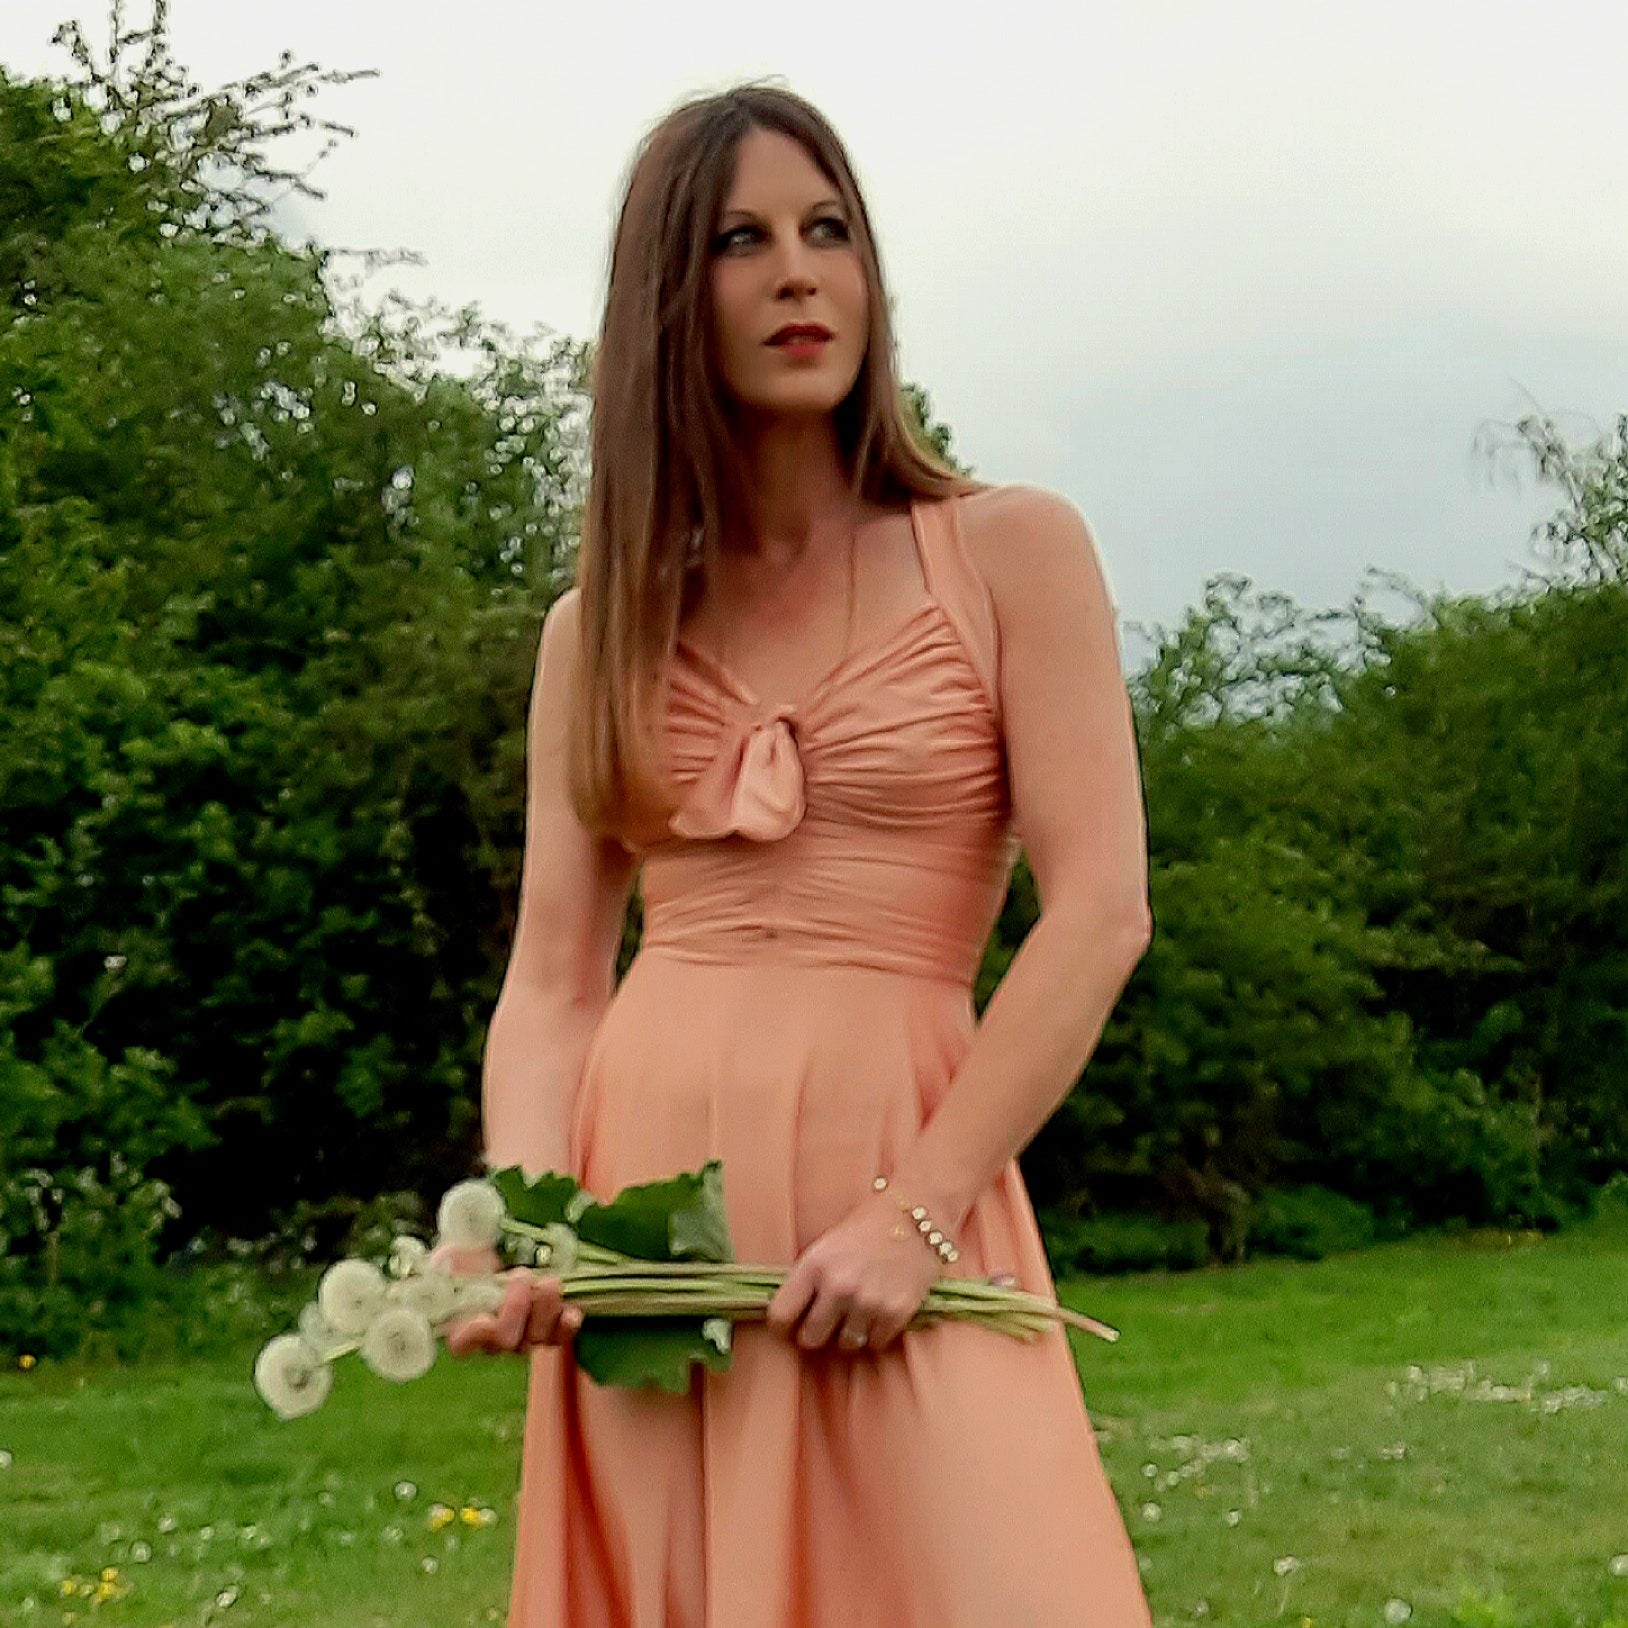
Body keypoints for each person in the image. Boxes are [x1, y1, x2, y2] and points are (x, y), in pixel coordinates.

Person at [434, 80, 1155, 1628]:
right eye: (740, 241)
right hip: (655, 1214)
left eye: (828, 231)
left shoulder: (1011, 552)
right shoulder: (597, 630)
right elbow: (553, 982)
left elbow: (1100, 913)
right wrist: (532, 1224)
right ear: (665, 298)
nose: (799, 274)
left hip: (904, 1164)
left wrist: (920, 1213)